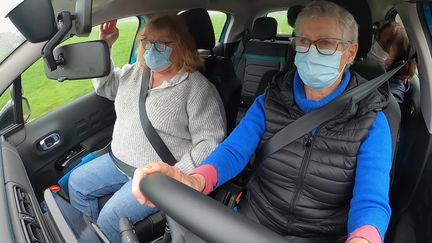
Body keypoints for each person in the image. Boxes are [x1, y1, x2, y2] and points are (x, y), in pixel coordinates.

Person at [133, 1, 392, 243]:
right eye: (303, 41)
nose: (311, 51)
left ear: (350, 52)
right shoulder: (272, 97)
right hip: (250, 223)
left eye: (325, 43)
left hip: (317, 235)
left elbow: (371, 202)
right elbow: (234, 151)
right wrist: (195, 180)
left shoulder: (370, 118)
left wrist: (363, 237)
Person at [68, 15, 226, 243]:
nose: (152, 49)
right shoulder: (134, 73)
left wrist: (178, 174)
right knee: (76, 183)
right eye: (147, 42)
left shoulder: (198, 88)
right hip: (118, 162)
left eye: (162, 43)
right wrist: (105, 46)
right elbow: (106, 87)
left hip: (156, 175)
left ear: (180, 45)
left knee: (110, 218)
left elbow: (210, 141)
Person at [368, 21, 417, 104]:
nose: (375, 46)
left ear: (398, 62)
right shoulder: (368, 69)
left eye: (384, 47)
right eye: (377, 39)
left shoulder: (393, 93)